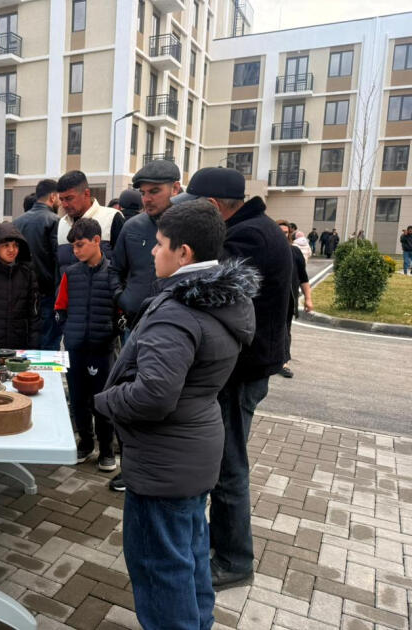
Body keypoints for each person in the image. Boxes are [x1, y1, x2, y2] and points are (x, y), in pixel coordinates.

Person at [94, 200, 257, 630]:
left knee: (159, 569)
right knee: (187, 558)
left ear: (184, 253)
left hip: (164, 461)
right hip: (192, 451)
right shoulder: (221, 299)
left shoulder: (179, 311)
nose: (152, 251)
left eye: (160, 244)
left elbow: (153, 395)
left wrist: (105, 401)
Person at [171, 167, 292, 588]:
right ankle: (221, 544)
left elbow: (212, 293)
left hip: (242, 370)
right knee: (225, 462)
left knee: (227, 467)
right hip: (253, 363)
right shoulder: (257, 227)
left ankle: (235, 561)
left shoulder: (246, 237)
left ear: (212, 206)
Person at [107, 160, 182, 492]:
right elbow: (114, 269)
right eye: (143, 192)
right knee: (132, 396)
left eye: (156, 191)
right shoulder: (132, 227)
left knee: (167, 400)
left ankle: (163, 469)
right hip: (134, 326)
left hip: (176, 328)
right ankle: (131, 466)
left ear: (176, 189)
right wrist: (122, 299)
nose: (148, 198)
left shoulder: (188, 226)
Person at [55, 218, 120, 472]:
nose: (76, 251)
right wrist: (69, 332)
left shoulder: (113, 272)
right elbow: (60, 308)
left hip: (102, 351)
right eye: (73, 246)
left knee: (102, 400)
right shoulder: (70, 274)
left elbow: (120, 309)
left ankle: (106, 449)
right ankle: (84, 443)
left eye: (80, 245)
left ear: (96, 241)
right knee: (79, 400)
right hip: (75, 350)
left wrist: (110, 332)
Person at [14, 179, 62, 350]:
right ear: (53, 197)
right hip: (48, 292)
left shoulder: (17, 222)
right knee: (49, 343)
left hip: (22, 291)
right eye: (59, 198)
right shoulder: (55, 220)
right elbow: (59, 258)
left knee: (27, 342)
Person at [56, 170, 125, 279]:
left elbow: (123, 265)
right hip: (68, 294)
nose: (64, 204)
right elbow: (59, 267)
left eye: (69, 198)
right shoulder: (61, 223)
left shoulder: (112, 218)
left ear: (86, 194)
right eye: (61, 199)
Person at [276, 221, 313, 379]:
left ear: (289, 234)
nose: (283, 235)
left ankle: (283, 362)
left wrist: (308, 299)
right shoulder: (268, 250)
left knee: (285, 330)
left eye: (286, 232)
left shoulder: (295, 252)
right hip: (269, 300)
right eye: (280, 231)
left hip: (288, 299)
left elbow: (303, 278)